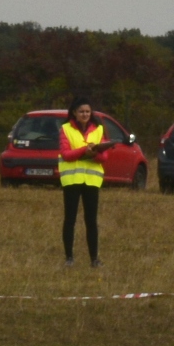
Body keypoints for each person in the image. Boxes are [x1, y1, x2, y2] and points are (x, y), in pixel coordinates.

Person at [58, 98, 107, 268]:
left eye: (87, 111)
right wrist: (84, 150)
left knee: (91, 220)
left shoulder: (99, 130)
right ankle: (69, 257)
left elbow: (104, 156)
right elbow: (66, 154)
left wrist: (94, 153)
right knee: (70, 219)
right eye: (81, 111)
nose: (85, 114)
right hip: (72, 180)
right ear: (74, 113)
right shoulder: (65, 129)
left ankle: (94, 259)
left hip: (92, 180)